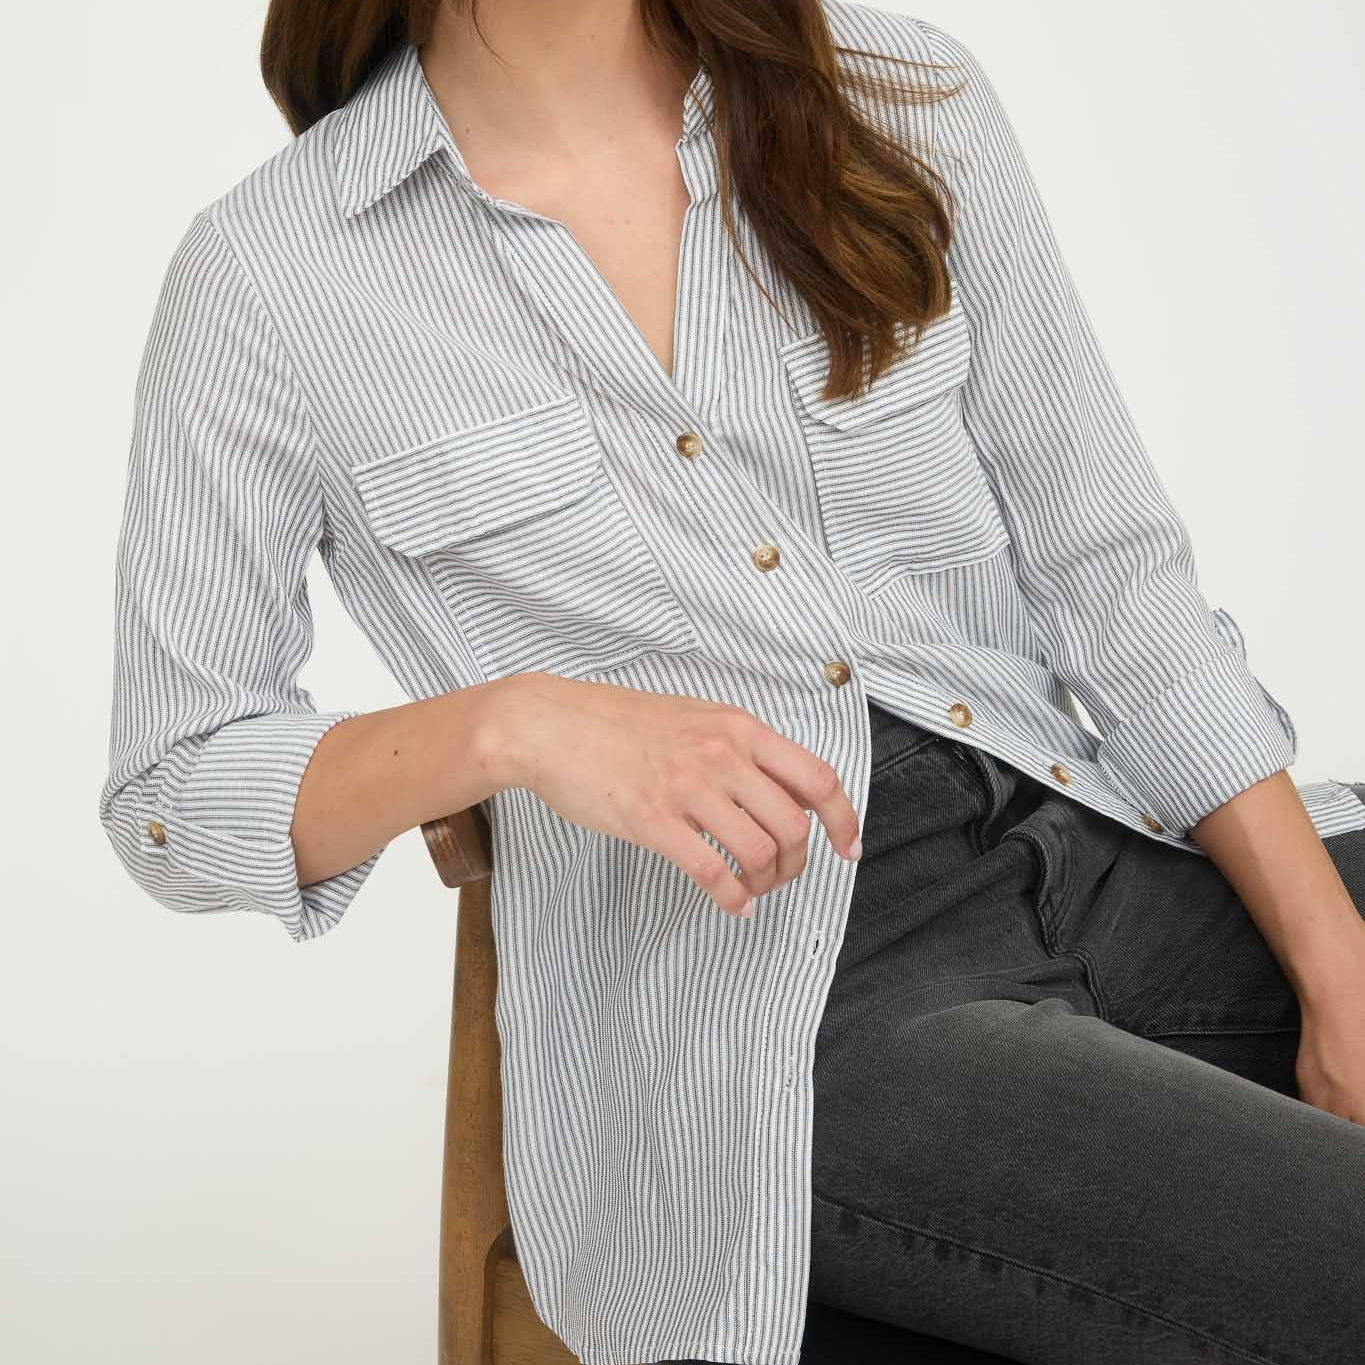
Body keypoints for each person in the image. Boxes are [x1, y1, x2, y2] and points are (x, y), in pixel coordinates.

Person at [98, 0, 1365, 1362]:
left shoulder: (900, 100)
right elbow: (171, 789)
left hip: (1098, 845)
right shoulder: (273, 273)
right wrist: (515, 726)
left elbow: (1116, 581)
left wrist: (1333, 970)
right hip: (785, 1006)